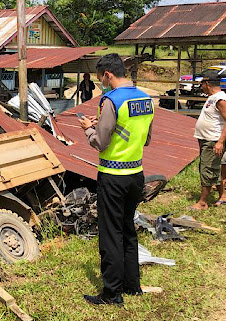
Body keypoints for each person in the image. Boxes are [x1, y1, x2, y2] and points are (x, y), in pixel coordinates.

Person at [78, 53, 154, 306]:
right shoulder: (145, 98)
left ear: (108, 75)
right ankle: (133, 285)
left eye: (102, 79)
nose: (102, 83)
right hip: (136, 174)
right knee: (128, 230)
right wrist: (109, 126)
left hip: (113, 175)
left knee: (110, 234)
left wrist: (89, 128)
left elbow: (100, 142)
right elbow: (144, 138)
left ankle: (112, 293)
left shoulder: (110, 100)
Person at [191, 75, 226, 210]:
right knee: (213, 167)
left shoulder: (221, 99)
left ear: (207, 83)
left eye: (202, 84)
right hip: (207, 139)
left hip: (213, 140)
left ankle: (203, 202)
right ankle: (223, 196)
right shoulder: (213, 97)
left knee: (208, 169)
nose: (201, 87)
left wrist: (220, 142)